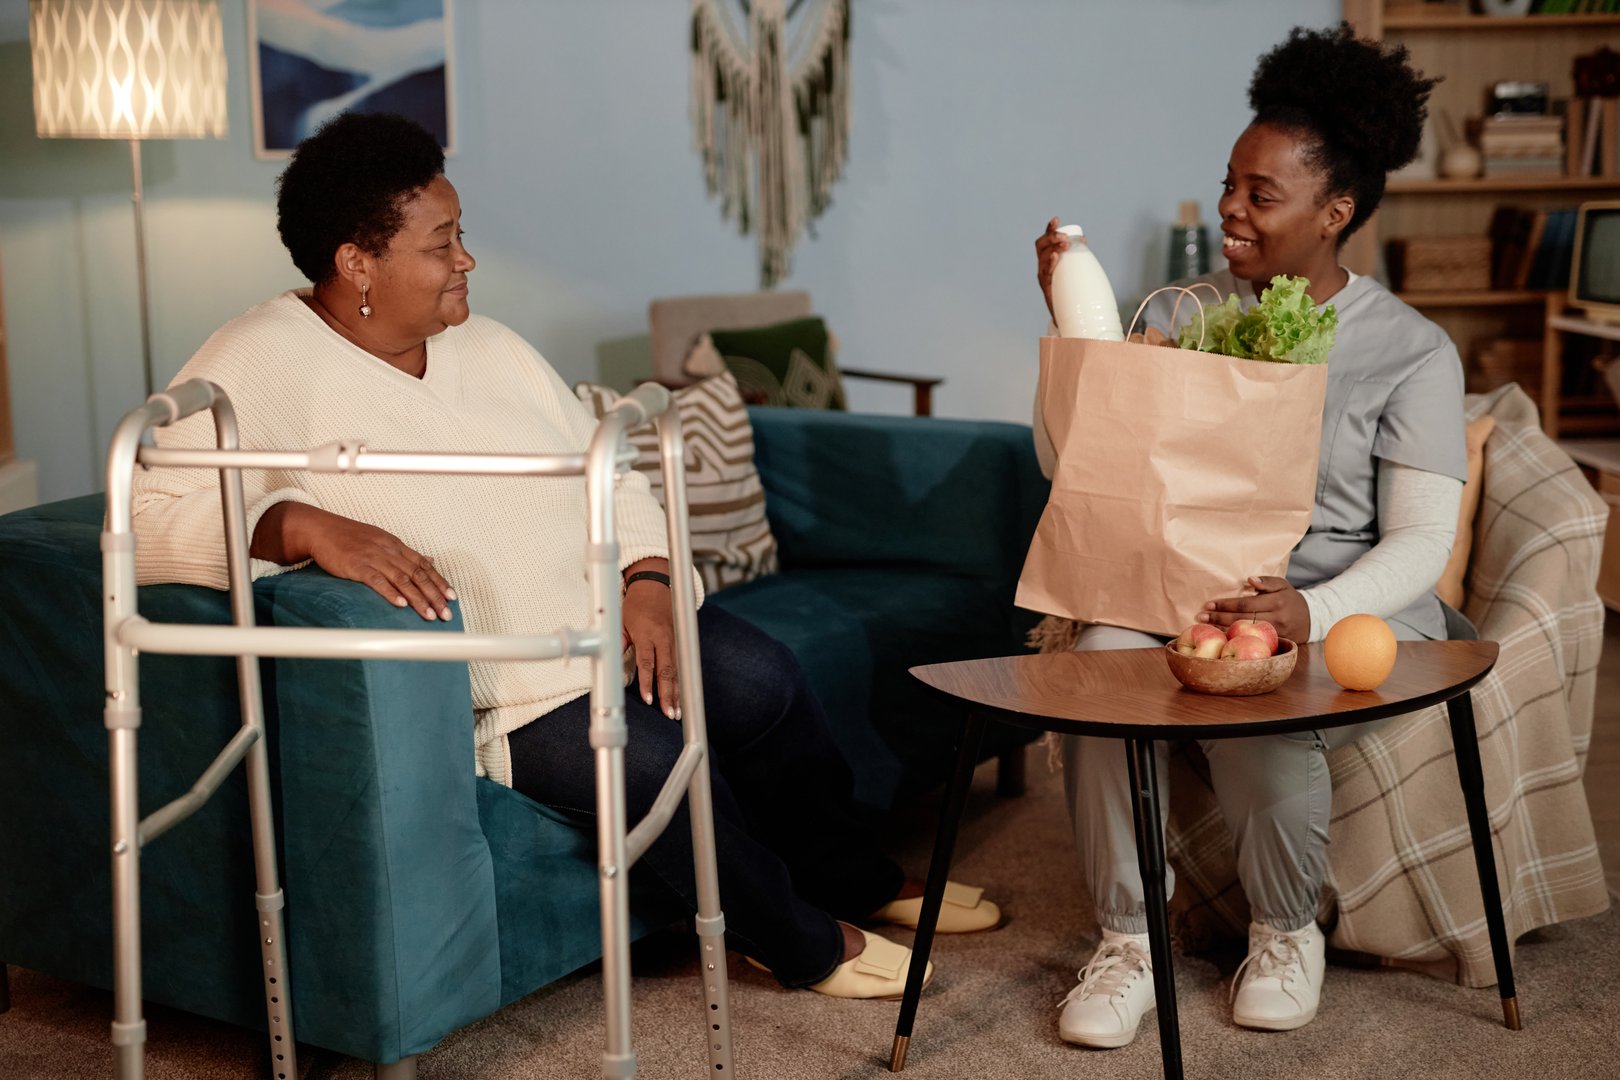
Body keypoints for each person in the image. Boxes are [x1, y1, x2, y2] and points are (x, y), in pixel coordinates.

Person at [130, 111, 1001, 1001]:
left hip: (609, 630)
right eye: (442, 243)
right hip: (510, 694)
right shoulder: (259, 360)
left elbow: (609, 459)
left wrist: (650, 580)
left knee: (764, 680)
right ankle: (797, 940)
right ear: (357, 261)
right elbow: (146, 508)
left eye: (459, 235)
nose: (465, 259)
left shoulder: (491, 345)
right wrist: (300, 523)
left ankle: (849, 872)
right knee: (650, 763)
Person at [1029, 24, 1465, 1046]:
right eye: (1230, 181)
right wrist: (1066, 327)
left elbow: (1422, 541)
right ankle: (1129, 942)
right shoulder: (1189, 316)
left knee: (1262, 688)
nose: (1230, 206)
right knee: (1097, 661)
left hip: (1339, 612)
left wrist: (1307, 608)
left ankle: (1285, 931)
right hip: (1188, 594)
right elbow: (1077, 470)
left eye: (1261, 194)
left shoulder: (1413, 353)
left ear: (1337, 211)